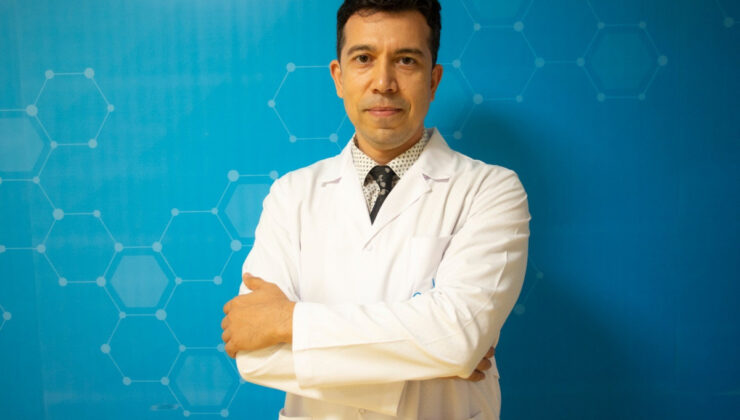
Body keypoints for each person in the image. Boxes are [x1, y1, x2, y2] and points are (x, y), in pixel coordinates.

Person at [220, 0, 530, 418]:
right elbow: (255, 356)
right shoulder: (290, 195)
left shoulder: (491, 190)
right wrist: (431, 361)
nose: (383, 83)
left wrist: (287, 322)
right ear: (339, 77)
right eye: (364, 58)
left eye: (406, 60)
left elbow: (458, 339)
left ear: (433, 80)